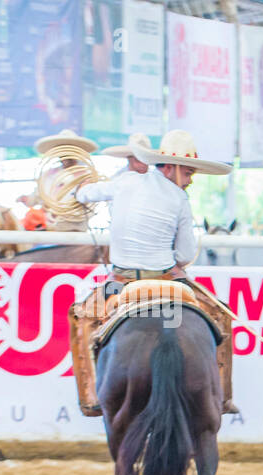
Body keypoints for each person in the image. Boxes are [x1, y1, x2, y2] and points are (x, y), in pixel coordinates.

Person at [71, 129, 238, 416]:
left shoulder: (125, 183)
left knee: (82, 317)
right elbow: (185, 255)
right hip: (165, 281)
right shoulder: (179, 200)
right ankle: (222, 396)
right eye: (188, 174)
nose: (189, 181)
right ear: (171, 169)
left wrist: (77, 188)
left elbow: (86, 194)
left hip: (121, 283)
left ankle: (90, 397)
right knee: (220, 315)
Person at [19, 129, 99, 232]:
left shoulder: (86, 176)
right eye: (62, 152)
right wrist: (27, 199)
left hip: (74, 230)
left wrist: (65, 213)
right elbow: (37, 197)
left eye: (69, 151)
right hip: (46, 227)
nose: (65, 156)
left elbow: (90, 207)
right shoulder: (48, 174)